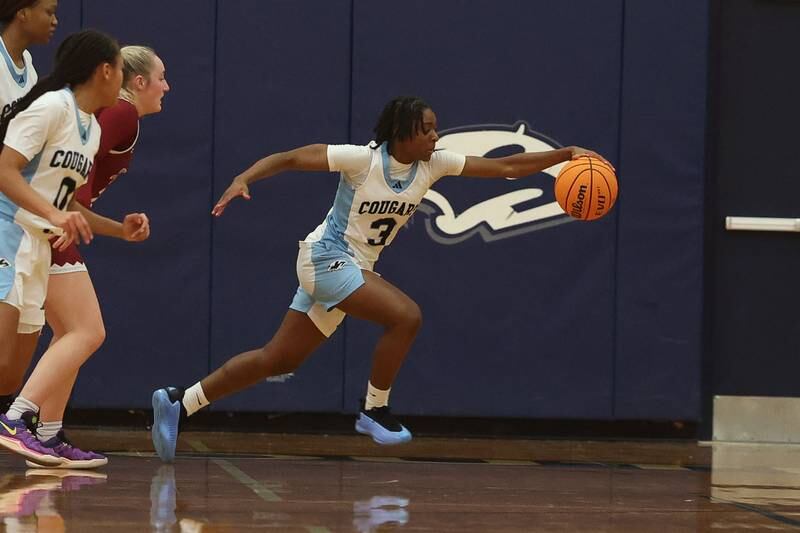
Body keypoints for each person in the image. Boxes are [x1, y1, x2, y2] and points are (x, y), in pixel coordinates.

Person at [151, 96, 613, 462]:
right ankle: (374, 410)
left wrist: (566, 155)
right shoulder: (362, 161)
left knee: (277, 359)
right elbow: (293, 158)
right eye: (428, 128)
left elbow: (507, 167)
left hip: (353, 270)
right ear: (404, 132)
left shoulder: (435, 164)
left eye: (435, 128)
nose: (436, 134)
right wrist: (243, 178)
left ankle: (179, 402)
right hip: (324, 257)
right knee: (406, 316)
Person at [0, 29, 147, 467]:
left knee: (10, 371)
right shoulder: (51, 107)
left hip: (38, 249)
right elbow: (5, 171)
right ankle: (17, 422)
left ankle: (28, 423)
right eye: (121, 70)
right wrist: (54, 212)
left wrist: (120, 230)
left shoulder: (89, 132)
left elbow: (69, 206)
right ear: (105, 71)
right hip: (9, 233)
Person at [0, 0, 59, 416]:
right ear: (22, 12)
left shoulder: (30, 69)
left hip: (16, 215)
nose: (54, 20)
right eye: (49, 10)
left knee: (9, 368)